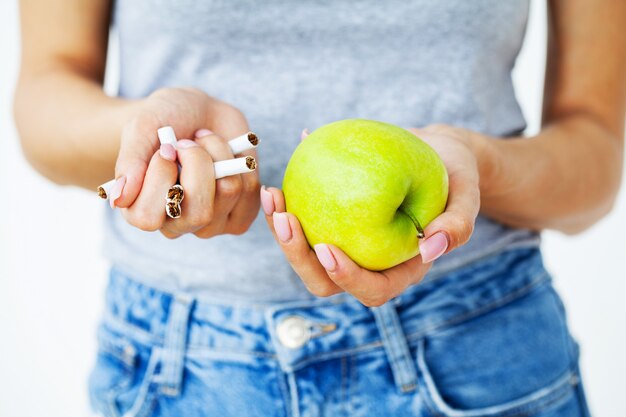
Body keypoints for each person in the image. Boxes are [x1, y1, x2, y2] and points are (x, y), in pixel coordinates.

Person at [14, 0, 625, 416]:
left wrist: (478, 163)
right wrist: (146, 140)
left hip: (478, 351)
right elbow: (46, 93)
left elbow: (594, 157)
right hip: (182, 367)